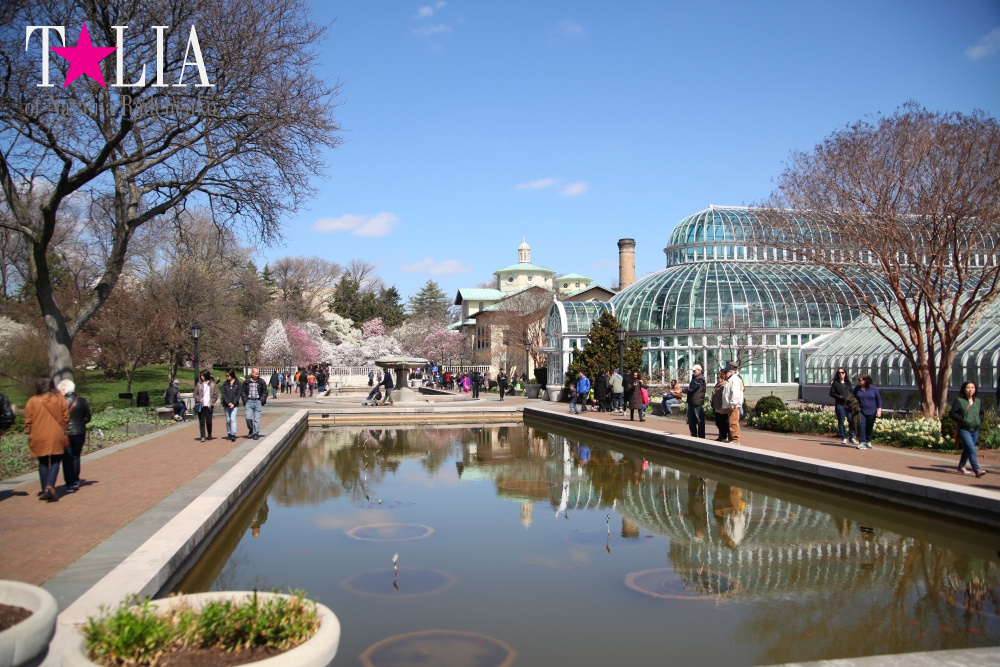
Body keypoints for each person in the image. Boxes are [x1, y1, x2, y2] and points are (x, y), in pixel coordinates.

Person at [24, 378, 69, 502]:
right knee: (55, 460)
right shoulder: (59, 398)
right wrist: (62, 428)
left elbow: (28, 420)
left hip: (37, 434)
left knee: (43, 462)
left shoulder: (32, 401)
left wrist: (29, 431)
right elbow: (66, 416)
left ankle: (45, 489)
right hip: (55, 433)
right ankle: (49, 486)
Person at [57, 379, 91, 493]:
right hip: (79, 431)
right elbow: (87, 417)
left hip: (65, 433)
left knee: (66, 458)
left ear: (63, 390)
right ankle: (75, 480)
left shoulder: (59, 402)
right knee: (76, 457)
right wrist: (81, 422)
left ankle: (69, 483)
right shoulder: (82, 401)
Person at [951, 381, 987, 478]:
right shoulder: (959, 401)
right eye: (968, 387)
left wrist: (979, 420)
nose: (970, 390)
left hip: (975, 429)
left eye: (972, 387)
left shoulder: (978, 401)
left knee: (968, 449)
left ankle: (961, 466)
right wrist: (963, 420)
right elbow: (953, 413)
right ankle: (977, 469)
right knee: (972, 449)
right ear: (964, 389)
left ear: (975, 389)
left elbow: (981, 413)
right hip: (964, 429)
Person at [852, 373, 882, 449]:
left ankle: (868, 441)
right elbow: (853, 397)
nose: (859, 381)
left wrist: (879, 410)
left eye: (860, 380)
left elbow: (878, 399)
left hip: (872, 411)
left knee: (869, 426)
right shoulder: (857, 388)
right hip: (861, 410)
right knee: (861, 426)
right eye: (858, 380)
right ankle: (862, 442)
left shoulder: (873, 389)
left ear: (865, 381)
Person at [829, 368, 856, 445]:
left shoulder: (848, 382)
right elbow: (831, 393)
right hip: (840, 405)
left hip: (849, 405)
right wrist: (839, 396)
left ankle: (851, 437)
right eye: (839, 373)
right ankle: (843, 437)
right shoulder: (835, 383)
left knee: (851, 420)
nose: (841, 374)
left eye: (842, 372)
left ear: (845, 373)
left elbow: (851, 391)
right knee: (841, 421)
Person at [720, 363, 744, 444]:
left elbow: (736, 394)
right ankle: (733, 439)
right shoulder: (730, 380)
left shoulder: (735, 380)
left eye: (726, 372)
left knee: (733, 423)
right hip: (730, 405)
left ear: (731, 372)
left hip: (734, 406)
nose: (725, 374)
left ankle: (736, 440)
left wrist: (732, 404)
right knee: (731, 423)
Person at [242, 368, 268, 439]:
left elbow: (265, 391)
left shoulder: (261, 381)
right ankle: (251, 429)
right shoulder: (247, 382)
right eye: (256, 374)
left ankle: (255, 433)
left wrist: (261, 400)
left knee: (257, 419)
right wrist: (245, 400)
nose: (257, 375)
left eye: (258, 374)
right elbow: (243, 391)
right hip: (249, 401)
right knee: (248, 418)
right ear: (252, 373)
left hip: (257, 401)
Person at [193, 369, 218, 442]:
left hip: (209, 406)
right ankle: (202, 436)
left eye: (203, 375)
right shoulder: (199, 384)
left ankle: (209, 433)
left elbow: (215, 395)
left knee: (209, 421)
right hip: (201, 405)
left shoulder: (212, 384)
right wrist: (199, 399)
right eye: (201, 375)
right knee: (201, 421)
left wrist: (212, 402)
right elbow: (195, 394)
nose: (202, 377)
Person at [682, 365, 707, 438]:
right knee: (691, 420)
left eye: (695, 370)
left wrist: (682, 390)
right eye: (693, 371)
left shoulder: (700, 379)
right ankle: (693, 435)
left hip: (697, 401)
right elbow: (690, 388)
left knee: (699, 419)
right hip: (691, 401)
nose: (693, 372)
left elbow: (692, 389)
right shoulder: (695, 378)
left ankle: (701, 436)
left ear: (699, 370)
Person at [221, 369, 242, 442]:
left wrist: (233, 403)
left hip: (234, 405)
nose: (227, 377)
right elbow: (223, 394)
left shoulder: (237, 384)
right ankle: (229, 433)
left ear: (232, 375)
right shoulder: (225, 384)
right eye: (226, 376)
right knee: (228, 419)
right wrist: (228, 402)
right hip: (226, 404)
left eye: (228, 375)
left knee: (233, 419)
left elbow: (238, 394)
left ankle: (233, 434)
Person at [710, 371, 730, 442]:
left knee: (722, 422)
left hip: (722, 407)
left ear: (723, 377)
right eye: (717, 377)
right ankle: (721, 435)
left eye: (719, 377)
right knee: (718, 422)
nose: (717, 379)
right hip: (716, 406)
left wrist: (724, 406)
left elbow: (725, 396)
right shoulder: (717, 385)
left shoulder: (725, 385)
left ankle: (724, 436)